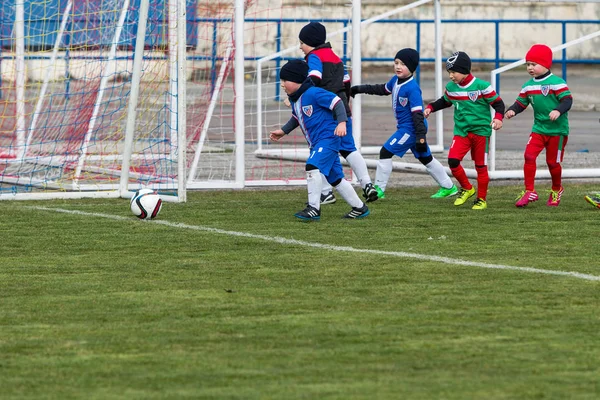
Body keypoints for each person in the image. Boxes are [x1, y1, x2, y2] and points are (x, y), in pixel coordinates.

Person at [350, 48, 458, 201]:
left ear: (412, 68)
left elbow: (417, 115)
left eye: (403, 64)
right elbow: (381, 89)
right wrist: (360, 89)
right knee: (426, 158)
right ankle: (449, 187)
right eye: (396, 63)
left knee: (385, 152)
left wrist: (420, 137)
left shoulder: (413, 89)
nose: (398, 67)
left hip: (412, 128)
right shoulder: (395, 80)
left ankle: (379, 189)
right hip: (408, 128)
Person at [269, 59, 370, 221]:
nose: (282, 84)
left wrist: (342, 122)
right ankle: (359, 207)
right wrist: (283, 131)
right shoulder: (296, 99)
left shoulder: (314, 93)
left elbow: (337, 102)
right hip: (317, 143)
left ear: (297, 80)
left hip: (328, 140)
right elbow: (297, 118)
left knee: (312, 166)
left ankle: (313, 208)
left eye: (285, 80)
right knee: (336, 178)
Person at [298, 21, 378, 204]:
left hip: (324, 109)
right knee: (348, 148)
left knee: (320, 149)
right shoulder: (335, 57)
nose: (300, 47)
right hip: (341, 106)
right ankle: (367, 184)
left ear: (310, 42)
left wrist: (302, 93)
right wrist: (345, 100)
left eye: (301, 42)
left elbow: (315, 77)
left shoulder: (314, 56)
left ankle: (326, 192)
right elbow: (347, 81)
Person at [424, 51, 505, 210]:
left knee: (480, 166)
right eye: (449, 72)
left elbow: (498, 104)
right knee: (453, 161)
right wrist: (431, 107)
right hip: (461, 132)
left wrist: (498, 118)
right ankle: (467, 188)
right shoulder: (451, 88)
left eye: (453, 72)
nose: (451, 76)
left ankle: (481, 199)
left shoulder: (482, 86)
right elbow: (445, 101)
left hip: (481, 132)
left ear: (465, 70)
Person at [505, 44, 573, 208]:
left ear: (545, 64)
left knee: (552, 163)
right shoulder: (528, 85)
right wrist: (512, 110)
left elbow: (568, 100)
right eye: (527, 64)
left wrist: (558, 110)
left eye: (534, 64)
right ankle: (529, 191)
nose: (530, 68)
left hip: (557, 131)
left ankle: (556, 189)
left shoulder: (557, 82)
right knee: (529, 156)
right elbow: (521, 103)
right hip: (539, 129)